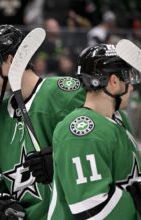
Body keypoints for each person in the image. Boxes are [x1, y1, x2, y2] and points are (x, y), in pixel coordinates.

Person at [0, 25, 87, 219]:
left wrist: (62, 160)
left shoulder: (64, 94)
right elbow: (6, 179)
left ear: (11, 59)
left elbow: (105, 138)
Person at [48, 44, 141, 219]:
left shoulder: (118, 119)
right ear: (113, 81)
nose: (132, 87)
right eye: (128, 78)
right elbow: (92, 209)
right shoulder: (81, 133)